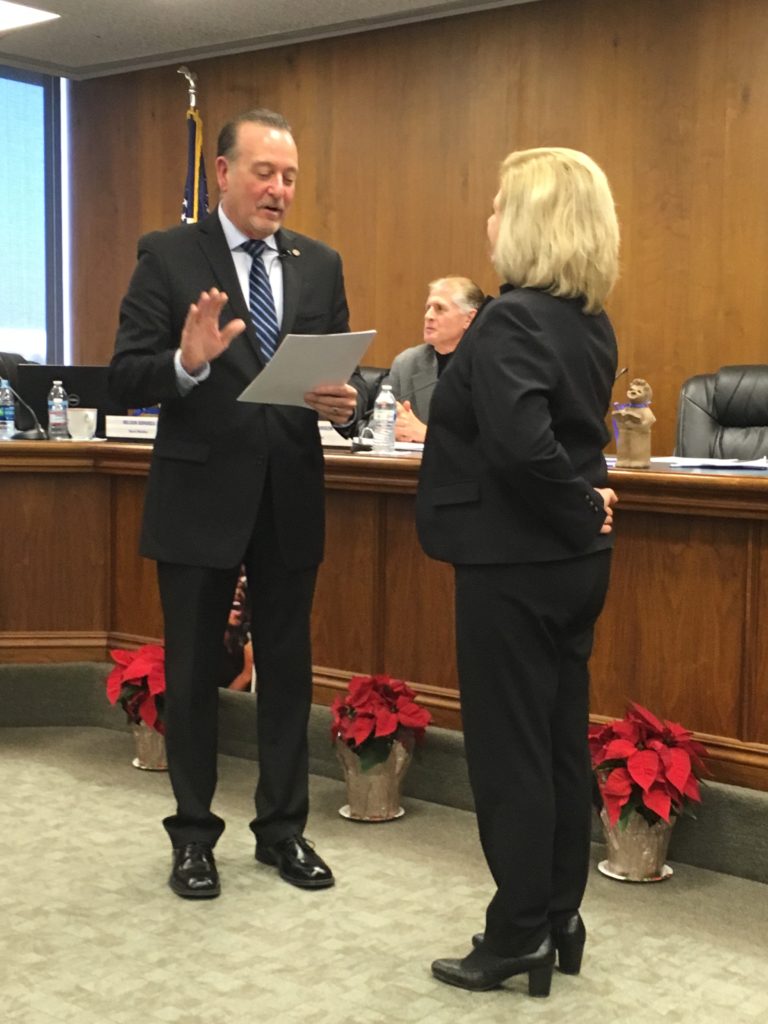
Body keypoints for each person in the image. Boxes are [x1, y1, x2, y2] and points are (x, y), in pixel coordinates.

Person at [109, 108, 366, 900]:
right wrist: (183, 363)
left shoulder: (320, 264)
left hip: (289, 494)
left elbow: (345, 379)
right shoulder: (168, 254)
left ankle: (283, 832)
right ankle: (192, 838)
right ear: (223, 172)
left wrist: (346, 405)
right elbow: (124, 375)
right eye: (264, 172)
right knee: (191, 675)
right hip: (199, 496)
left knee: (287, 672)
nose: (279, 189)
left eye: (290, 176)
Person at [416, 147, 620, 996]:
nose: (488, 222)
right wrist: (584, 507)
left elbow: (522, 445)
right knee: (557, 744)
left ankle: (517, 933)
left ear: (533, 221)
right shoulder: (590, 320)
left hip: (514, 562)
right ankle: (559, 916)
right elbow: (562, 443)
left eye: (499, 206)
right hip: (574, 566)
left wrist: (574, 502)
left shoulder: (509, 320)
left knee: (509, 755)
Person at [371, 277, 484, 442]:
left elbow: (497, 441)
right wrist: (391, 429)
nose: (428, 316)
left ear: (469, 318)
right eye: (428, 308)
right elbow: (374, 425)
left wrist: (427, 435)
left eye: (439, 308)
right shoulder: (407, 364)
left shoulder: (487, 366)